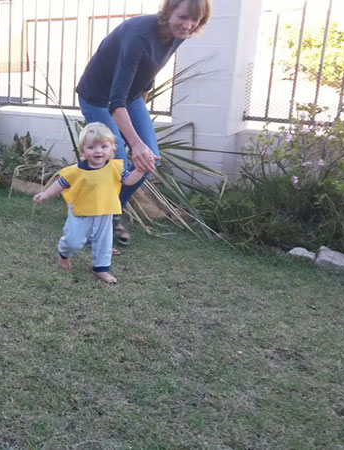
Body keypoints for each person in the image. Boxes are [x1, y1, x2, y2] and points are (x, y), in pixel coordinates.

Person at [75, 0, 211, 245]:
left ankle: (112, 213)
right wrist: (133, 143)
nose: (188, 25)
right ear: (169, 10)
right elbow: (115, 101)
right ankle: (95, 224)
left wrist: (136, 132)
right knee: (118, 162)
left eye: (195, 20)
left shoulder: (179, 35)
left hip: (131, 96)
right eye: (182, 17)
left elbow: (148, 72)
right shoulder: (139, 35)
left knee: (149, 159)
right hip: (97, 96)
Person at [33, 123, 145, 284]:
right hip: (81, 212)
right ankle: (63, 253)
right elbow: (62, 183)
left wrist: (141, 169)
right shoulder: (76, 170)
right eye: (91, 147)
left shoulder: (115, 168)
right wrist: (46, 194)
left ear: (112, 149)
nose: (98, 151)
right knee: (74, 241)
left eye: (103, 146)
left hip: (104, 212)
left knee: (104, 242)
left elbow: (129, 181)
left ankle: (101, 269)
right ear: (83, 150)